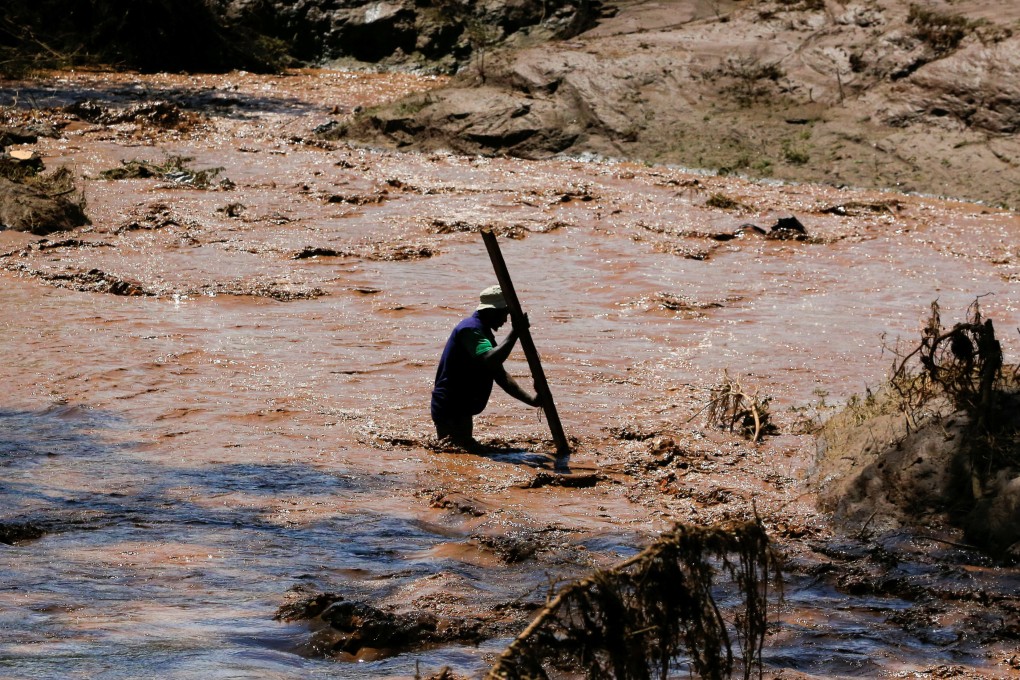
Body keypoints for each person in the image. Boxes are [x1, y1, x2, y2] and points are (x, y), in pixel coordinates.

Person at [431, 285, 542, 450]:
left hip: (460, 407)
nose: (505, 320)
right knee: (454, 453)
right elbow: (490, 361)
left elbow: (501, 376)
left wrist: (532, 401)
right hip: (450, 406)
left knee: (462, 451)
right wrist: (514, 333)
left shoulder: (483, 333)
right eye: (504, 314)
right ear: (491, 311)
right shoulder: (471, 330)